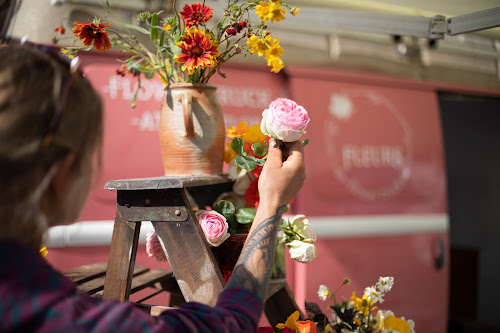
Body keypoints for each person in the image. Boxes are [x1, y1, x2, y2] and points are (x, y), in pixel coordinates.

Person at [0, 42, 306, 332]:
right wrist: (272, 201)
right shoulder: (64, 319)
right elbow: (229, 325)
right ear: (60, 172)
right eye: (91, 155)